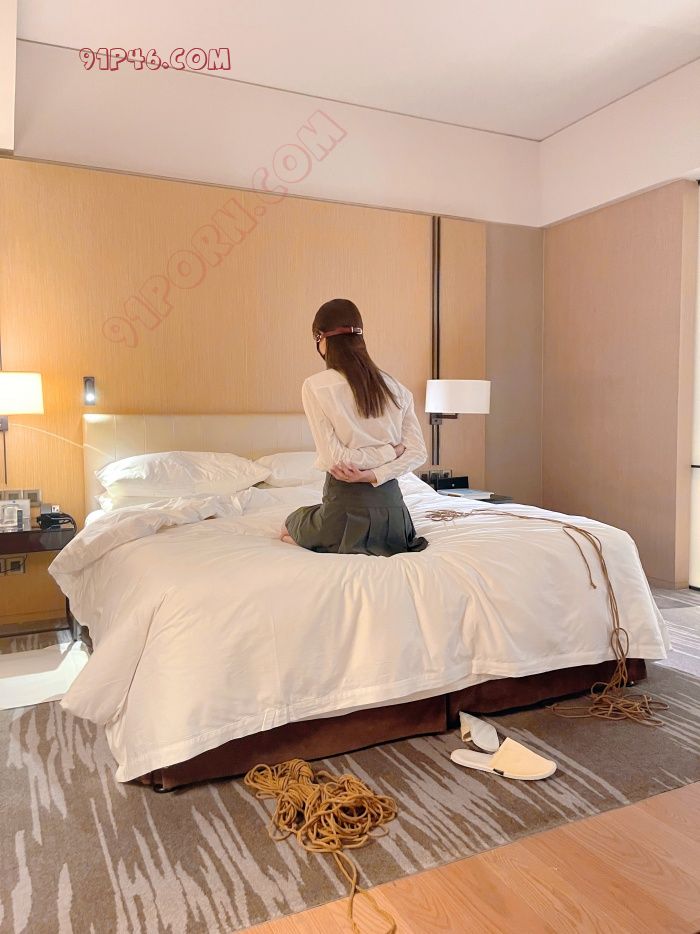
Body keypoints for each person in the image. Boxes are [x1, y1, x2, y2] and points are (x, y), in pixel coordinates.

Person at [282, 298, 429, 556]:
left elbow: (335, 459)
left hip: (343, 513)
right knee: (299, 525)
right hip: (394, 521)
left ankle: (325, 542)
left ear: (321, 339)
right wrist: (386, 457)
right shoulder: (396, 388)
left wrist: (364, 474)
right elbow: (418, 453)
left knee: (288, 526)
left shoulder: (315, 386)